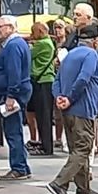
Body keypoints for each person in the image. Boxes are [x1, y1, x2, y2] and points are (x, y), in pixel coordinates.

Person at [47, 23, 98, 194]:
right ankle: (60, 183)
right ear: (96, 41)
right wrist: (71, 97)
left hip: (67, 110)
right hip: (83, 108)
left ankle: (83, 187)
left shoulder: (69, 55)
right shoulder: (91, 55)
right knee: (84, 147)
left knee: (75, 147)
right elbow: (84, 78)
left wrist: (59, 97)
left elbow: (56, 80)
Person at [0, 15, 33, 181]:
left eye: (1, 27)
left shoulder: (13, 46)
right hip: (15, 93)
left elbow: (14, 72)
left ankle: (19, 167)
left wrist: (11, 96)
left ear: (11, 28)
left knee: (13, 131)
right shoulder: (16, 44)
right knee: (15, 130)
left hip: (13, 95)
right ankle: (22, 166)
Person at [26, 21, 56, 156]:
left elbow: (28, 55)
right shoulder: (47, 42)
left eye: (33, 32)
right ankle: (44, 144)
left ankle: (46, 147)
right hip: (44, 81)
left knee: (44, 116)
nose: (32, 35)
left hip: (43, 82)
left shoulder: (43, 44)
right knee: (42, 115)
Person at [50, 20, 69, 151]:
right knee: (56, 113)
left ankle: (65, 138)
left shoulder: (68, 43)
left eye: (60, 27)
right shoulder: (52, 44)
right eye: (55, 28)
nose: (57, 30)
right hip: (54, 79)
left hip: (65, 80)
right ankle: (57, 138)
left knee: (64, 112)